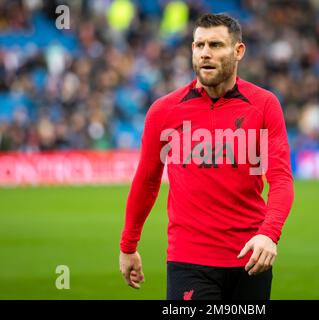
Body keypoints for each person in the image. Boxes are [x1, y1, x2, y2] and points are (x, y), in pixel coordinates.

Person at [119, 13, 294, 300]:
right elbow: (147, 180)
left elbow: (281, 179)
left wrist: (269, 233)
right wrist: (128, 245)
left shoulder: (264, 105)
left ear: (238, 51)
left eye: (215, 45)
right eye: (198, 45)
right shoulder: (164, 111)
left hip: (251, 258)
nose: (205, 54)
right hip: (188, 261)